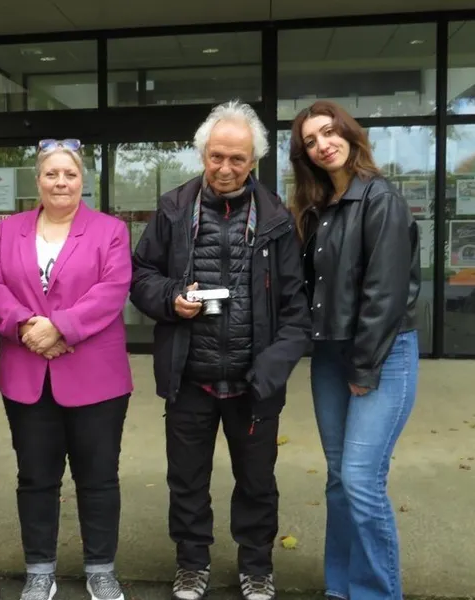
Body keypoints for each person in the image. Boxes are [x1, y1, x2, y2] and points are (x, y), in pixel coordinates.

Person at [129, 101, 311, 600]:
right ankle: (191, 563)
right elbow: (140, 276)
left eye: (238, 159)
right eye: (217, 157)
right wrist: (170, 298)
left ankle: (256, 566)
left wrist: (273, 368)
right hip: (190, 377)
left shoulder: (277, 219)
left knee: (257, 484)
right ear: (202, 155)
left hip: (255, 383)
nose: (226, 169)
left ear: (254, 162)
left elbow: (297, 310)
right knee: (187, 481)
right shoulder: (172, 210)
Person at [0, 138, 134, 600]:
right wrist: (29, 326)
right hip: (27, 375)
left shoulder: (110, 230)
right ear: (38, 180)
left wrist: (61, 328)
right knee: (36, 477)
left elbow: (113, 288)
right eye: (52, 174)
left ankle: (101, 570)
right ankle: (40, 571)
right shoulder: (10, 230)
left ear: (82, 180)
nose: (61, 182)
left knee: (98, 477)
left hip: (96, 376)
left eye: (69, 174)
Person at [288, 99, 420, 600]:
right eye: (311, 140)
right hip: (331, 354)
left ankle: (377, 592)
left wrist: (363, 368)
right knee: (340, 481)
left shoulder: (380, 198)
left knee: (362, 480)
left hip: (381, 354)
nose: (323, 144)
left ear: (349, 133)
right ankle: (340, 588)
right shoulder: (319, 208)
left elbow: (385, 296)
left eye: (329, 132)